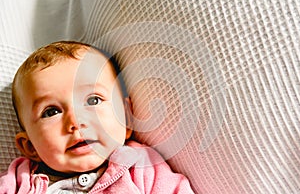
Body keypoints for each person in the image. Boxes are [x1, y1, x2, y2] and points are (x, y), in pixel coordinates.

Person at [0, 41, 194, 193]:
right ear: (30, 146)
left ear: (125, 118)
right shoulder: (19, 182)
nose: (75, 122)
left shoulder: (140, 167)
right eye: (52, 112)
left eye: (93, 100)